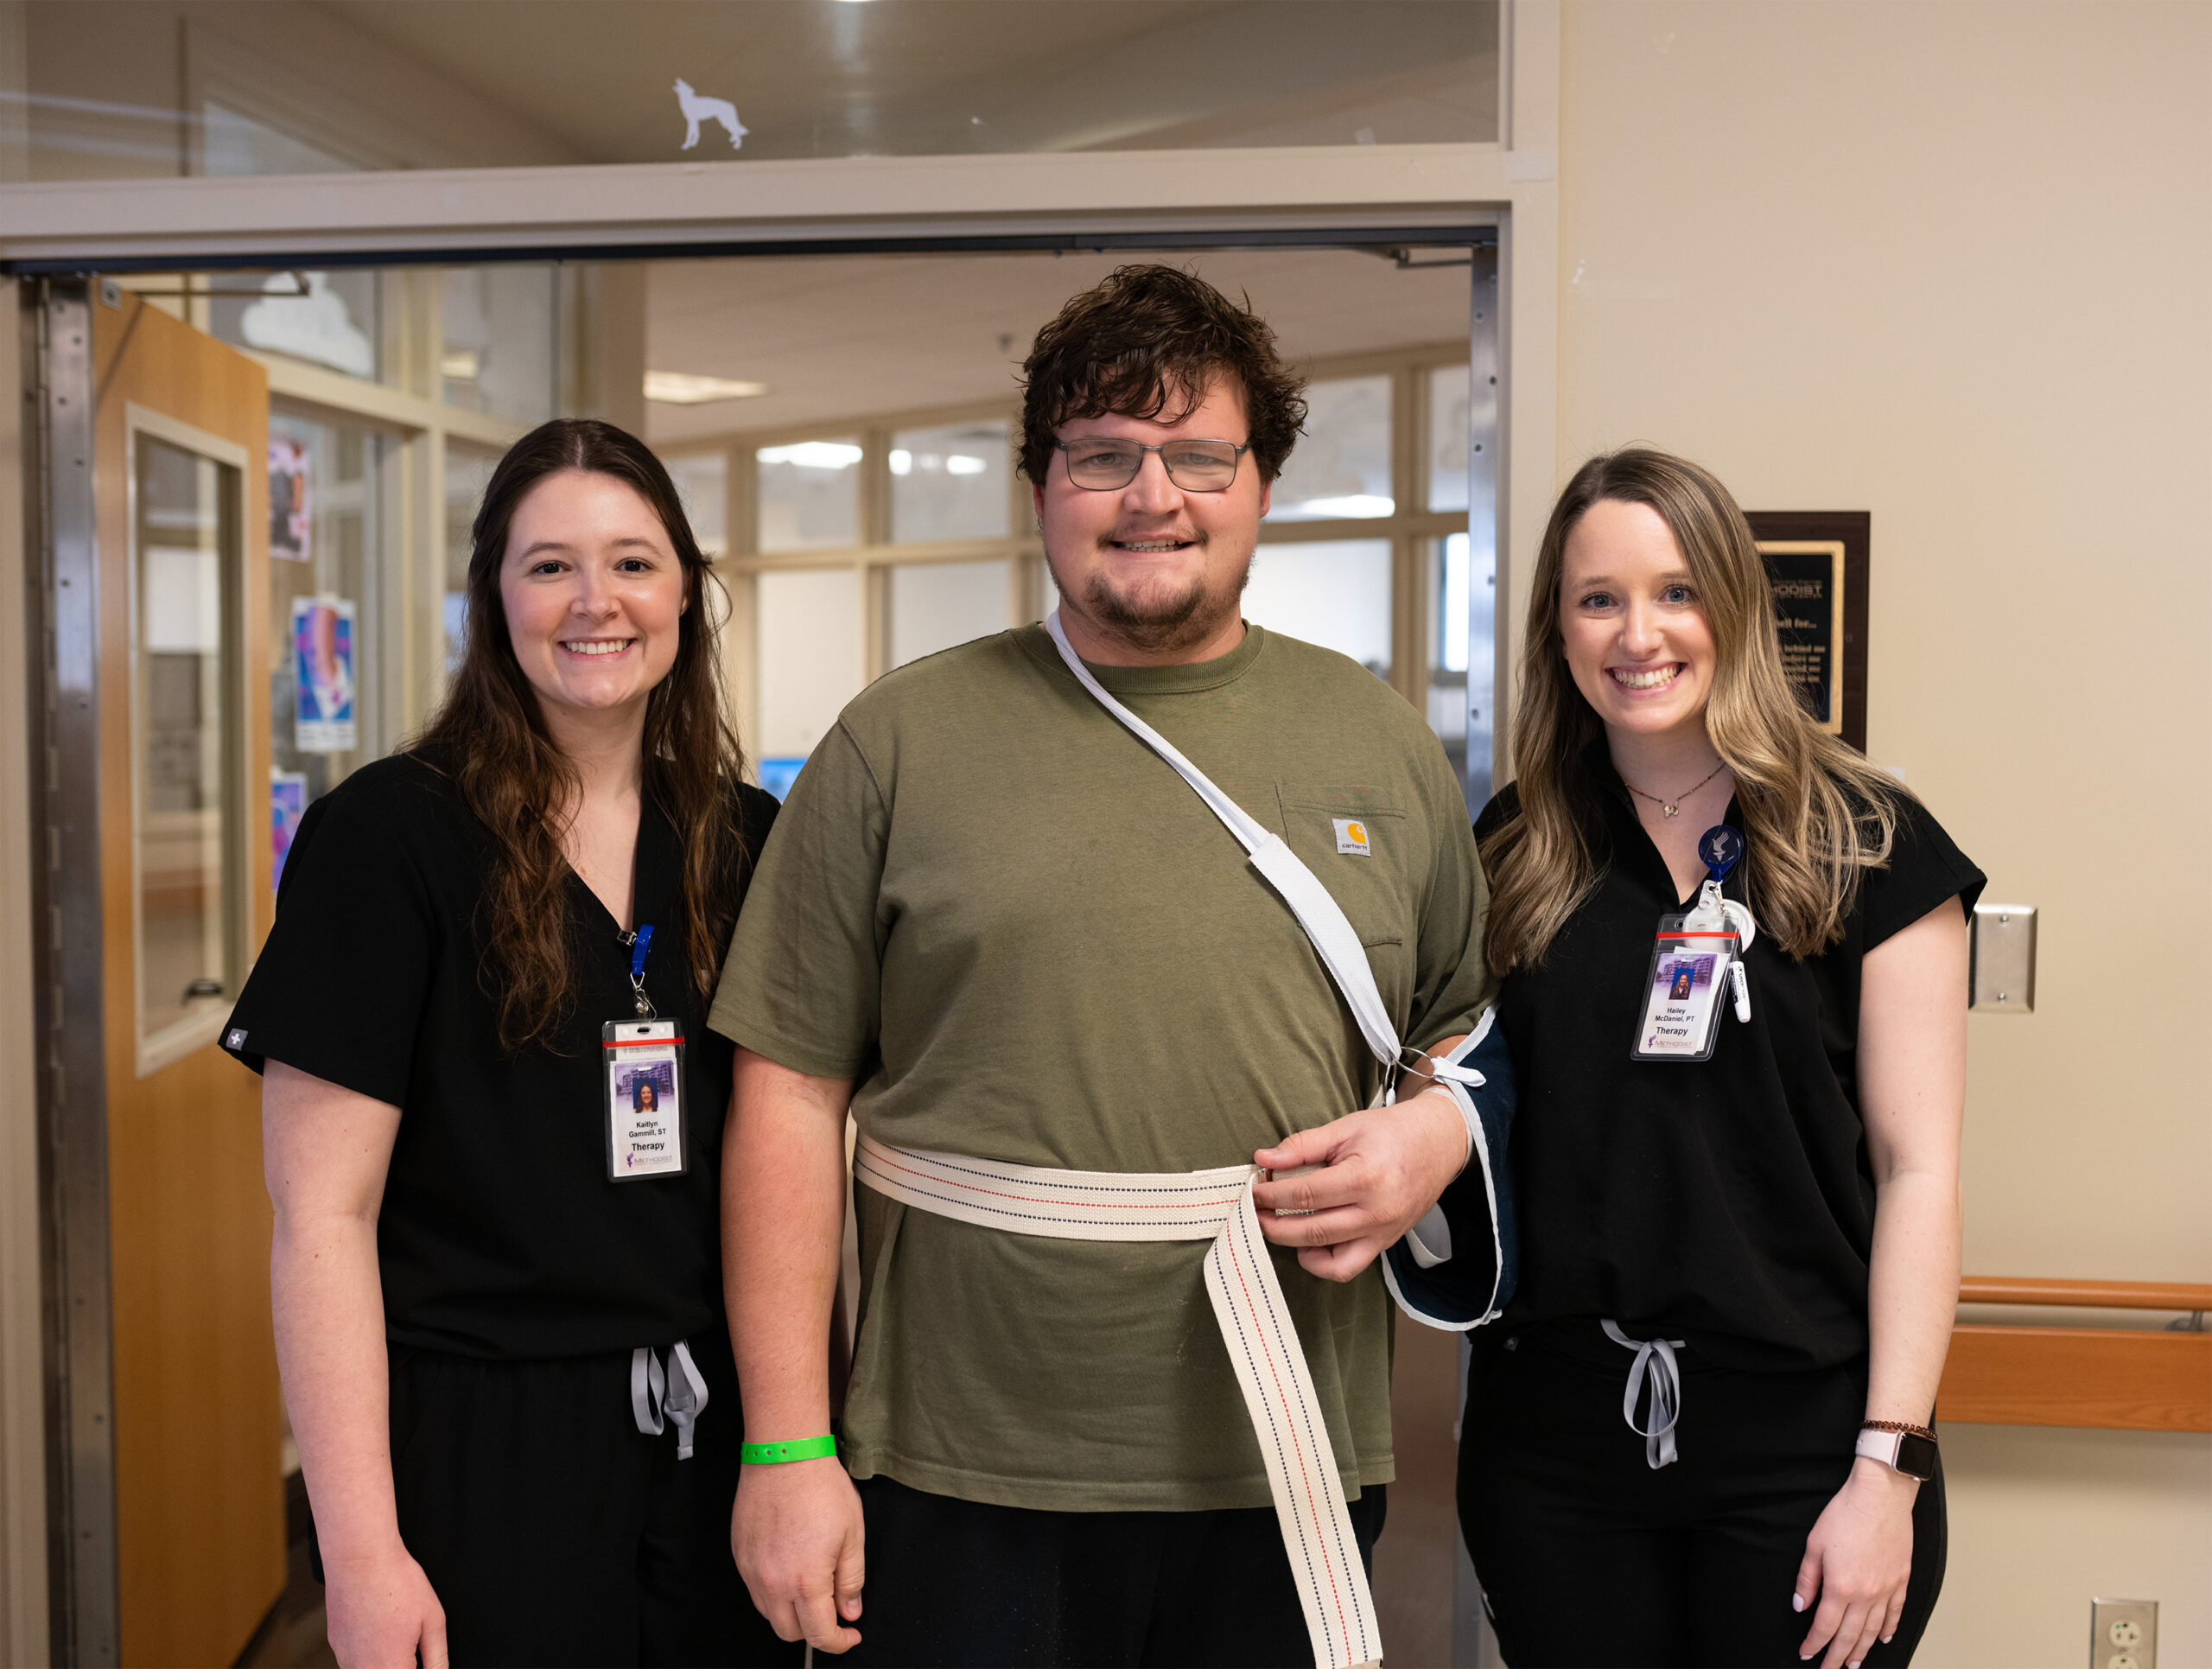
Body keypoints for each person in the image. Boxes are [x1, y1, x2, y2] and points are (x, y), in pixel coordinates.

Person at [709, 264, 1497, 1667]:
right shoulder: (896, 745)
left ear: (1260, 485)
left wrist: (1432, 1135)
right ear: (1040, 487)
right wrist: (784, 1444)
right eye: (1104, 457)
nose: (1155, 495)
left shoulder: (1374, 740)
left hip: (1288, 1441)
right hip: (965, 1461)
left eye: (1200, 455)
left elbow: (1466, 1042)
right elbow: (783, 1096)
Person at [222, 419, 798, 1669]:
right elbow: (321, 1219)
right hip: (485, 1440)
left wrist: (802, 1450)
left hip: (717, 1431)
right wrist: (360, 1553)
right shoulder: (385, 841)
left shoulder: (746, 839)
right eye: (550, 566)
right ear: (493, 595)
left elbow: (793, 1162)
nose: (596, 602)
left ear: (686, 592)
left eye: (633, 563)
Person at [1459, 449, 1979, 1669]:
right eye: (1599, 599)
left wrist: (1887, 1470)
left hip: (1808, 1453)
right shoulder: (1517, 847)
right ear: (1559, 628)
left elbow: (1919, 1172)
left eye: (1676, 592)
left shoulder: (1866, 844)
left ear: (1733, 610)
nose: (1638, 634)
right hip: (1558, 1454)